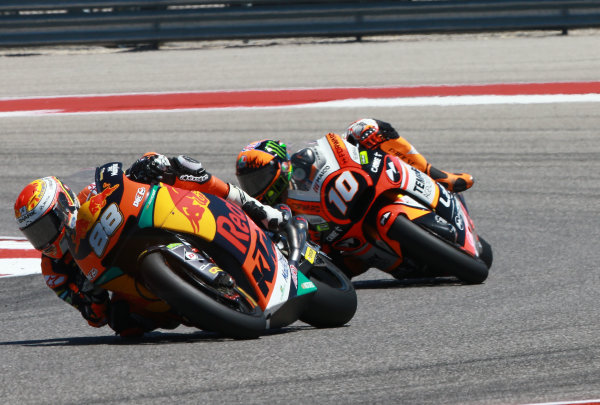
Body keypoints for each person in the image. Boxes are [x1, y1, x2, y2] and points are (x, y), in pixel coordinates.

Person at [14, 153, 288, 337]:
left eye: (45, 227)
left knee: (181, 167)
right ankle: (193, 304)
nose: (44, 240)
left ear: (63, 206)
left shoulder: (90, 195)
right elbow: (95, 319)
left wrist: (146, 167)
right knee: (122, 323)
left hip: (142, 231)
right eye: (34, 234)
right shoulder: (55, 272)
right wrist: (91, 294)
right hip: (130, 284)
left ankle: (258, 210)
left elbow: (123, 183)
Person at [235, 118, 475, 277]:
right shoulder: (275, 212)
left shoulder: (303, 163)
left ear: (280, 165)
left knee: (364, 126)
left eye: (261, 177)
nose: (258, 186)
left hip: (361, 200)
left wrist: (357, 144)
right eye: (251, 183)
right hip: (345, 247)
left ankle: (441, 177)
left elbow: (333, 150)